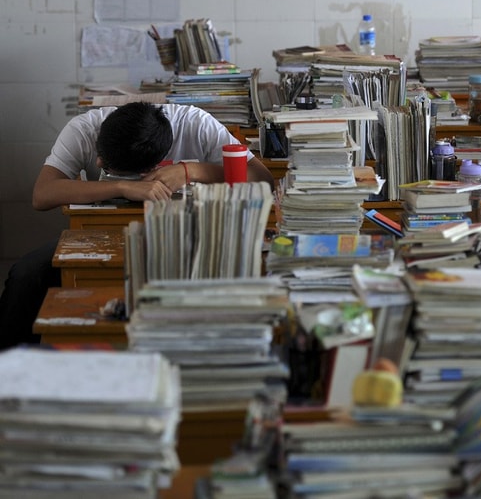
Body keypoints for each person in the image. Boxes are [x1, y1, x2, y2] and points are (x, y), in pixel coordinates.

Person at [0, 101, 275, 350]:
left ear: (151, 168)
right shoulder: (84, 128)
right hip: (102, 235)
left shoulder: (196, 124)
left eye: (106, 166)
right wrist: (121, 186)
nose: (97, 162)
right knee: (26, 275)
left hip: (186, 233)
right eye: (100, 156)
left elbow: (262, 178)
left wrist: (190, 171)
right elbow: (42, 194)